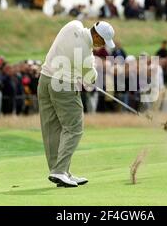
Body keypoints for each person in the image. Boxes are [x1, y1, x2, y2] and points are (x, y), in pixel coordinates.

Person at [38, 20, 115, 187]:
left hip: (44, 80)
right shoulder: (86, 55)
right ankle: (60, 171)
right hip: (63, 86)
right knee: (74, 128)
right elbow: (90, 78)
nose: (101, 46)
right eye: (101, 41)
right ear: (96, 35)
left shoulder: (73, 25)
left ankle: (60, 171)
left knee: (52, 128)